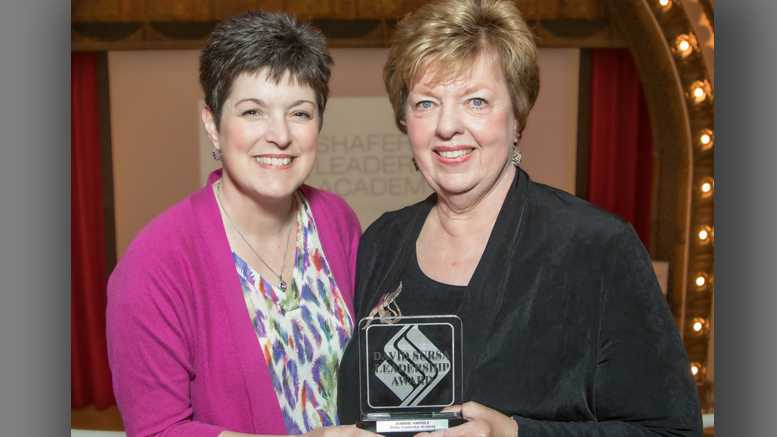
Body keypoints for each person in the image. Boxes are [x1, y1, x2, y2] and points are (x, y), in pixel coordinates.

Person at [337, 0, 703, 435]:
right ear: (405, 120)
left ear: (517, 118)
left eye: (476, 100)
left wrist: (516, 433)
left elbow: (672, 432)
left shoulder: (598, 249)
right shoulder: (382, 241)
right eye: (425, 104)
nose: (447, 126)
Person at [106, 10, 380, 437]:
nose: (280, 135)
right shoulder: (154, 264)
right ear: (213, 126)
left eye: (300, 113)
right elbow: (157, 432)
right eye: (253, 111)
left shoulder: (336, 219)